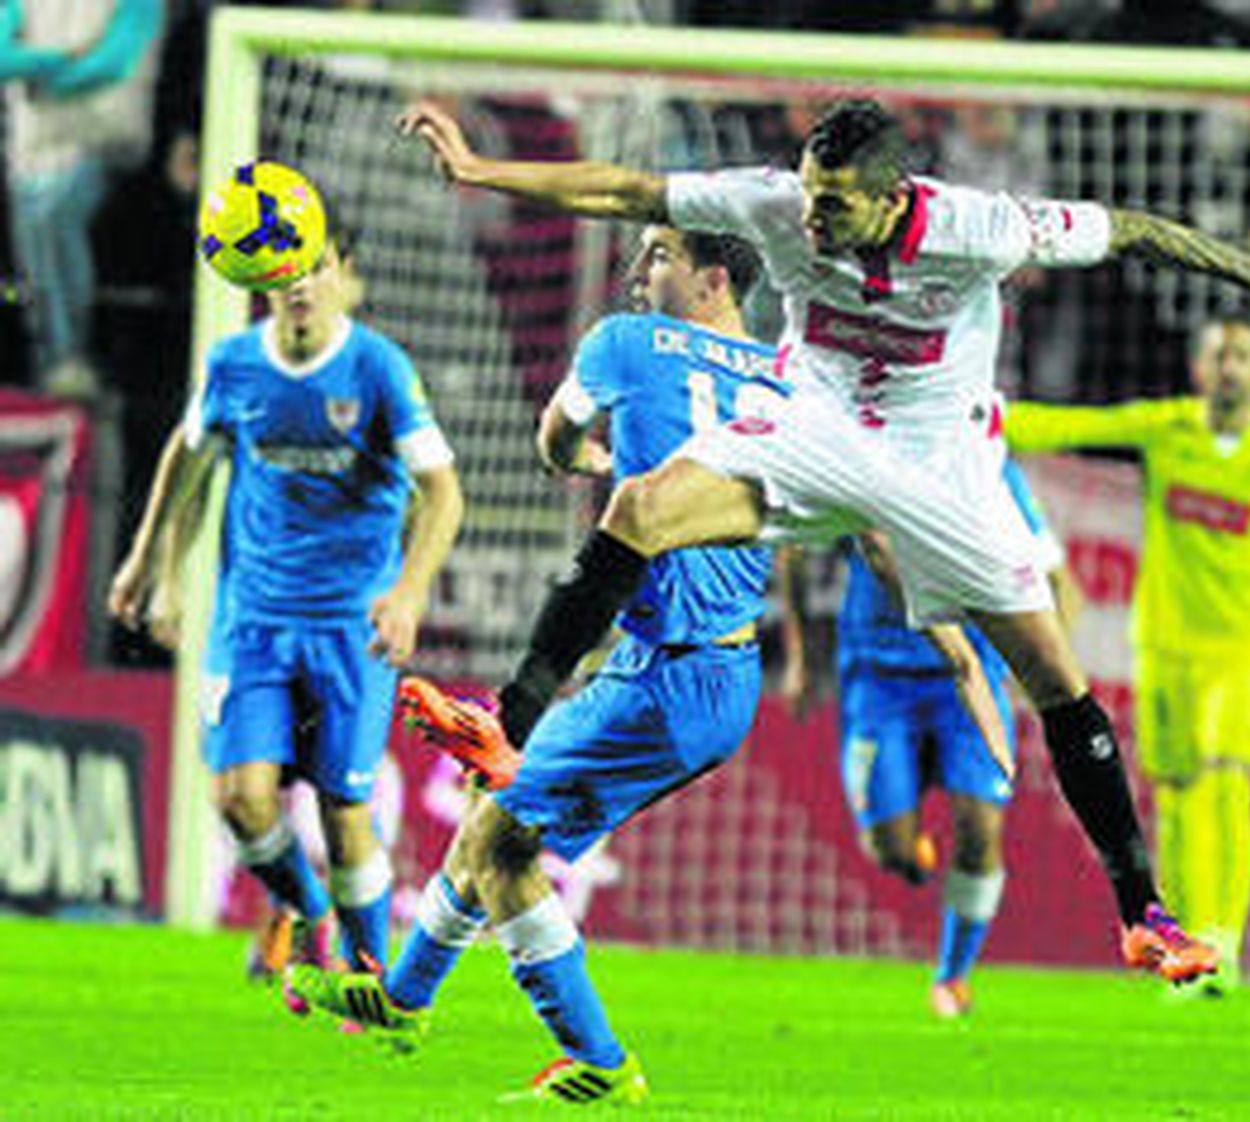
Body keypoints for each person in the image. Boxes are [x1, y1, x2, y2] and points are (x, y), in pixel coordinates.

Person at [395, 96, 1250, 988]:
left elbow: (1134, 233)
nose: (811, 221)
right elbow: (627, 188)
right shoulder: (777, 204)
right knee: (641, 507)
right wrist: (483, 171)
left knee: (1055, 679)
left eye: (834, 207)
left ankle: (1141, 914)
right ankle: (509, 720)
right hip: (813, 428)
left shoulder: (979, 226)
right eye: (810, 198)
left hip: (940, 466)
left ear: (894, 196)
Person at [287, 226, 792, 1105]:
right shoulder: (790, 381)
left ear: (714, 278)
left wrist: (587, 458)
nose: (638, 272)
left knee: (502, 849)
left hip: (673, 674)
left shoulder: (624, 342)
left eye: (659, 256)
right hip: (708, 668)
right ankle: (404, 998)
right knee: (496, 817)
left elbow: (555, 439)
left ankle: (598, 1058)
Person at [107, 214, 464, 984]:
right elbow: (189, 459)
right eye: (286, 267)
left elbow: (443, 493)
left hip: (351, 625)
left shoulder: (378, 370)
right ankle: (308, 912)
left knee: (342, 810)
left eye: (318, 265)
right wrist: (149, 563)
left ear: (347, 277)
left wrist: (407, 593)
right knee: (239, 797)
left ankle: (375, 983)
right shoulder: (233, 364)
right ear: (259, 276)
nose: (300, 282)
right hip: (255, 621)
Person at [1005, 317, 1250, 994]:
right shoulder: (1166, 426)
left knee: (1224, 773)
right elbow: (1074, 427)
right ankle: (1182, 944)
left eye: (1243, 354)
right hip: (1166, 642)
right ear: (1198, 369)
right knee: (1175, 792)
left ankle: (1224, 940)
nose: (1230, 366)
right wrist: (984, 418)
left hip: (1247, 645)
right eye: (1218, 355)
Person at [779, 455, 1075, 1019]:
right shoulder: (861, 454)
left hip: (970, 679)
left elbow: (1057, 579)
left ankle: (953, 976)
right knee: (890, 850)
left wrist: (1045, 675)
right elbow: (793, 549)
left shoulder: (992, 469)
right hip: (878, 680)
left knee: (979, 830)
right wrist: (800, 655)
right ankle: (908, 841)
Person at [2, 0, 164, 395]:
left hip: (106, 142)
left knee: (52, 209)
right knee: (36, 203)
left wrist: (36, 71)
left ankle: (67, 355)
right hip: (33, 149)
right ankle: (50, 361)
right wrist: (59, 59)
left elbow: (115, 63)